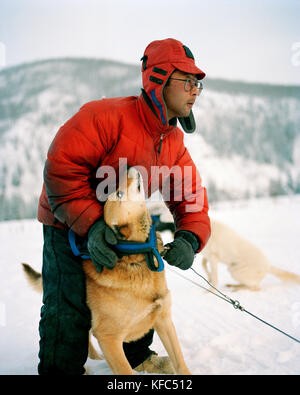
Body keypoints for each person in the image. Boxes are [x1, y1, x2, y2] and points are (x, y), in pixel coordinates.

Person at [37, 38, 211, 375]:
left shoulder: (172, 140)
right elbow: (60, 169)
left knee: (135, 292)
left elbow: (190, 195)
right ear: (158, 80)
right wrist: (91, 225)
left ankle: (136, 358)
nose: (195, 91)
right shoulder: (105, 117)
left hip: (126, 226)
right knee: (70, 305)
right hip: (67, 223)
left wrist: (190, 237)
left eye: (197, 84)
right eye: (187, 81)